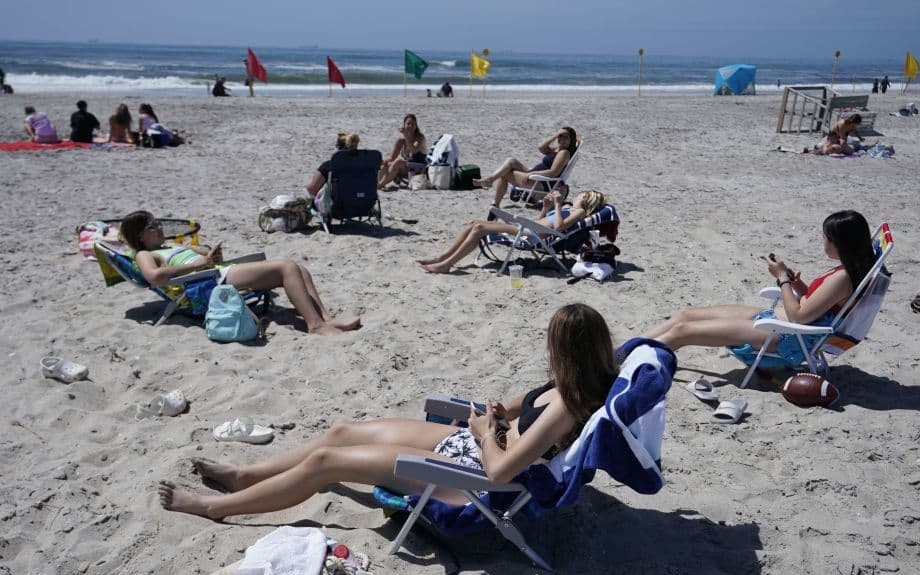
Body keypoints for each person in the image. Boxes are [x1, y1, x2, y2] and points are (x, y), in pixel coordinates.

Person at [158, 302, 618, 520]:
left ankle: (217, 507)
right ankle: (246, 476)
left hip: (477, 478)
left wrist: (483, 433)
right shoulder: (568, 383)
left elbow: (501, 472)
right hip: (473, 445)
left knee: (326, 462)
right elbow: (511, 409)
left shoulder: (567, 406)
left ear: (564, 350)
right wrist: (496, 416)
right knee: (341, 431)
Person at [639, 211, 877, 360]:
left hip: (788, 336)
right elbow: (820, 304)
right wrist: (798, 285)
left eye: (826, 238)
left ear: (840, 243)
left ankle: (630, 360)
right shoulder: (847, 270)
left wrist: (782, 278)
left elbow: (799, 317)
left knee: (683, 332)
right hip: (777, 321)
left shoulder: (842, 277)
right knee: (686, 315)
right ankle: (626, 349)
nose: (823, 241)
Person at [118, 211, 361, 336]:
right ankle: (315, 326)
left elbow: (202, 253)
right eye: (152, 225)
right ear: (140, 236)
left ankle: (325, 318)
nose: (160, 227)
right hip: (204, 284)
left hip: (214, 273)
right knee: (286, 267)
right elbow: (154, 277)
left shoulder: (169, 246)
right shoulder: (144, 254)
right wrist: (197, 264)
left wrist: (209, 255)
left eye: (158, 222)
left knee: (300, 268)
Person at [416, 189, 606, 274]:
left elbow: (558, 228)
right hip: (529, 228)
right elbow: (542, 221)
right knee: (472, 223)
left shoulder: (579, 212)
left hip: (529, 236)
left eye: (582, 194)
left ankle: (446, 265)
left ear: (586, 199)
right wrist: (546, 207)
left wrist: (557, 204)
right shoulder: (567, 208)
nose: (577, 195)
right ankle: (441, 258)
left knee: (479, 228)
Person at [472, 127, 578, 208]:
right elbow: (541, 147)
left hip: (540, 182)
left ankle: (495, 202)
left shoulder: (564, 153)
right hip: (535, 176)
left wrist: (531, 174)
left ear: (571, 140)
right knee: (511, 161)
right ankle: (490, 181)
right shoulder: (557, 149)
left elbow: (553, 172)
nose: (562, 139)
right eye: (560, 136)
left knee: (504, 173)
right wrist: (555, 135)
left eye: (566, 137)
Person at [305, 131, 361, 213]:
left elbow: (312, 189)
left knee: (308, 192)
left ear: (338, 147)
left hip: (336, 207)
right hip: (361, 204)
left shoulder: (329, 166)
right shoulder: (364, 165)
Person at [378, 114, 428, 190]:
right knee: (386, 164)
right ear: (404, 125)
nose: (410, 126)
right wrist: (384, 161)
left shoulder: (419, 138)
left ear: (416, 126)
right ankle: (379, 184)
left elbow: (413, 150)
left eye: (413, 124)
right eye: (408, 124)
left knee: (398, 162)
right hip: (408, 168)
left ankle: (380, 185)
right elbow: (392, 158)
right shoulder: (401, 141)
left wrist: (406, 137)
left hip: (419, 169)